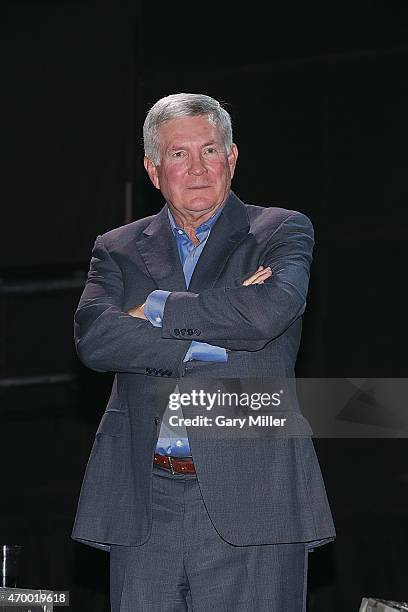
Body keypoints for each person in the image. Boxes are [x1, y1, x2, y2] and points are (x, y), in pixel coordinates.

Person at [72, 92, 336, 611]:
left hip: (257, 496)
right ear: (153, 169)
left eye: (210, 151)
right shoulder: (117, 248)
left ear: (232, 158)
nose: (197, 168)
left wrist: (153, 306)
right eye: (178, 154)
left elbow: (266, 314)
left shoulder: (280, 230)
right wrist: (214, 339)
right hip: (144, 500)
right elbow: (95, 339)